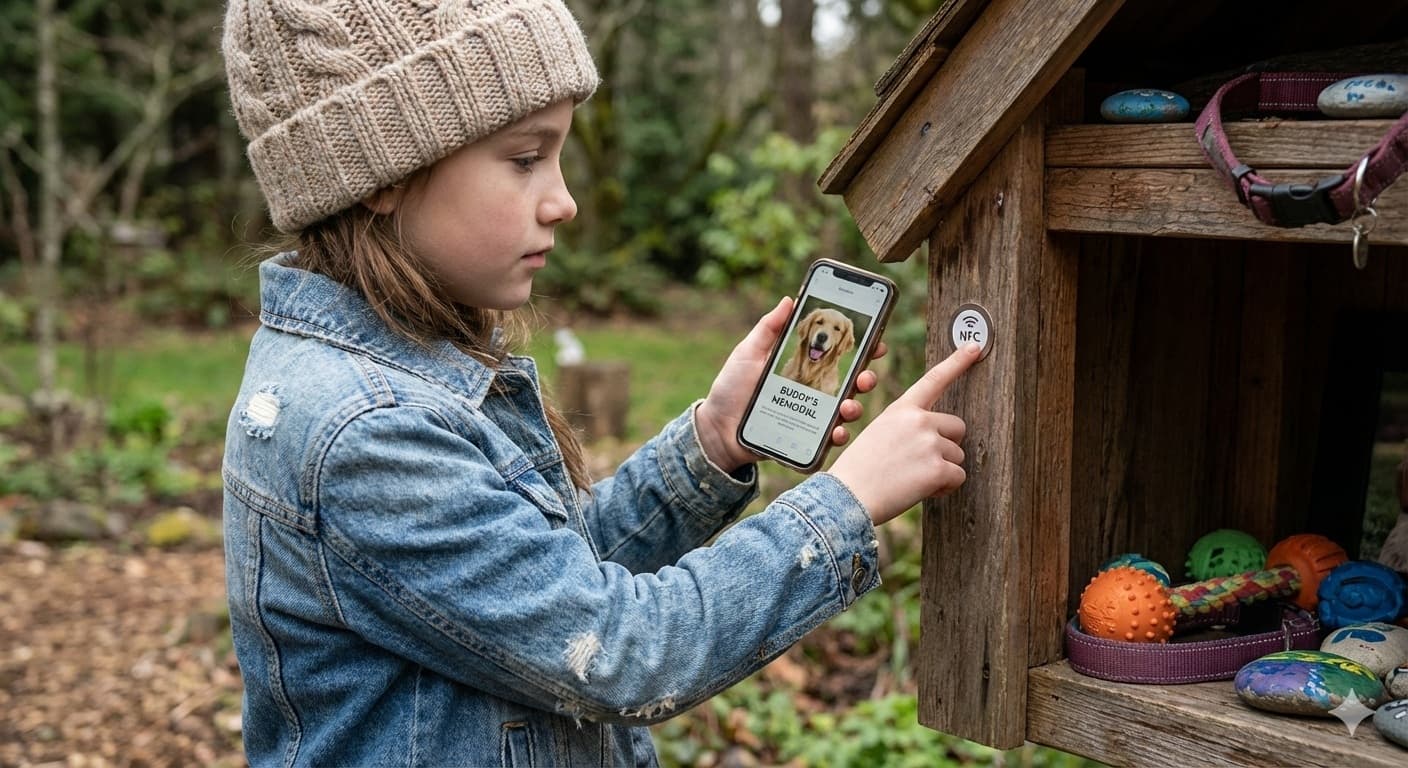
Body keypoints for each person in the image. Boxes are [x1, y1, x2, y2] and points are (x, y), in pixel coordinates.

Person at [219, 1, 981, 765]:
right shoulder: (370, 432)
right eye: (526, 158)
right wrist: (845, 503)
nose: (564, 201)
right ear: (381, 174)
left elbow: (548, 583)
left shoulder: (399, 369)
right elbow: (617, 649)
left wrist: (711, 446)